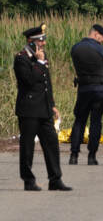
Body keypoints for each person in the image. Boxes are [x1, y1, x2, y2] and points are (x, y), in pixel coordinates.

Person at [13, 24, 72, 191]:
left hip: (44, 109)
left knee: (52, 143)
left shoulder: (42, 57)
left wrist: (52, 105)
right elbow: (29, 80)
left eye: (44, 39)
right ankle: (28, 180)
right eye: (41, 40)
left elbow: (47, 84)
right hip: (29, 109)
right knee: (28, 147)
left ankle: (55, 179)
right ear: (31, 41)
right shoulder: (21, 58)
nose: (44, 43)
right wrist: (38, 62)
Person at [69, 24, 103, 166]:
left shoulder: (75, 48)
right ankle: (92, 156)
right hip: (98, 90)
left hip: (83, 89)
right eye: (102, 37)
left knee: (79, 121)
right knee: (95, 122)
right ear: (95, 34)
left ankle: (74, 155)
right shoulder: (100, 49)